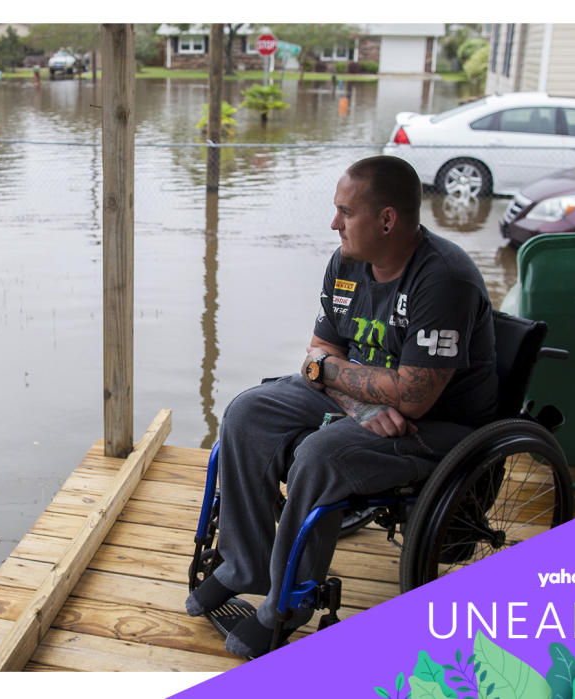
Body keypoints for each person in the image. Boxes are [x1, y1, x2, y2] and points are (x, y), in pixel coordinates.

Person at [185, 155, 499, 659]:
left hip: (441, 427)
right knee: (247, 414)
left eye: (344, 212)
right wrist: (357, 401)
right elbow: (317, 355)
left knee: (320, 455)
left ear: (387, 219)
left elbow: (415, 397)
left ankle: (288, 603)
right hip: (364, 406)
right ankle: (244, 563)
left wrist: (330, 373)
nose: (334, 223)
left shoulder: (443, 279)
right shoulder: (347, 262)